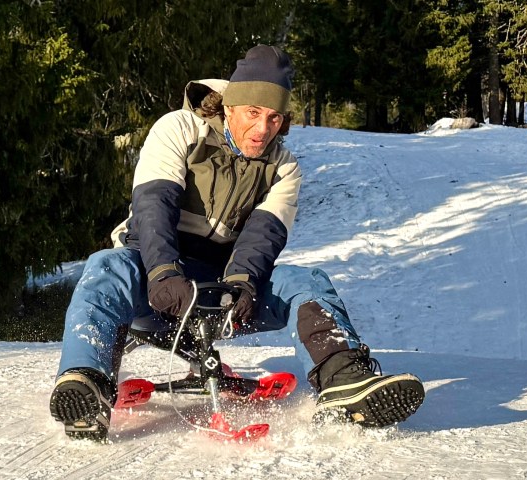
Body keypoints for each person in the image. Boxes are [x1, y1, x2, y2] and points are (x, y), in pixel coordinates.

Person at [49, 45, 425, 441]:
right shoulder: (178, 129)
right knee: (107, 266)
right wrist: (162, 271)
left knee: (307, 281)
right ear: (229, 107)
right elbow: (153, 206)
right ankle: (87, 383)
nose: (263, 129)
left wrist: (244, 283)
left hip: (223, 294)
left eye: (274, 117)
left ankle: (344, 381)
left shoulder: (284, 167)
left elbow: (263, 235)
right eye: (253, 113)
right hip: (155, 283)